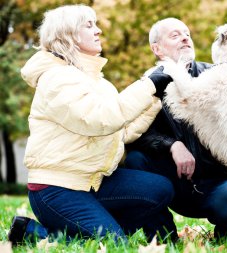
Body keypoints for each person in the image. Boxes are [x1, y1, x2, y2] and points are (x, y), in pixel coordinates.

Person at [7, 5, 177, 246]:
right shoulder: (57, 79)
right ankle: (33, 232)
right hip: (56, 189)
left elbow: (121, 130)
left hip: (92, 181)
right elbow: (100, 119)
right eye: (89, 25)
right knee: (113, 245)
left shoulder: (97, 81)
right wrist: (148, 85)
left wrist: (155, 98)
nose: (98, 31)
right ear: (68, 34)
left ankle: (98, 223)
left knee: (160, 188)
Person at [124, 17, 227, 242]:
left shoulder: (218, 74)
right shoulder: (146, 87)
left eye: (187, 34)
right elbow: (134, 135)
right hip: (172, 184)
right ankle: (163, 237)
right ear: (157, 49)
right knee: (135, 160)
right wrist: (172, 145)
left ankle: (225, 233)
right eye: (175, 35)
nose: (185, 37)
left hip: (218, 182)